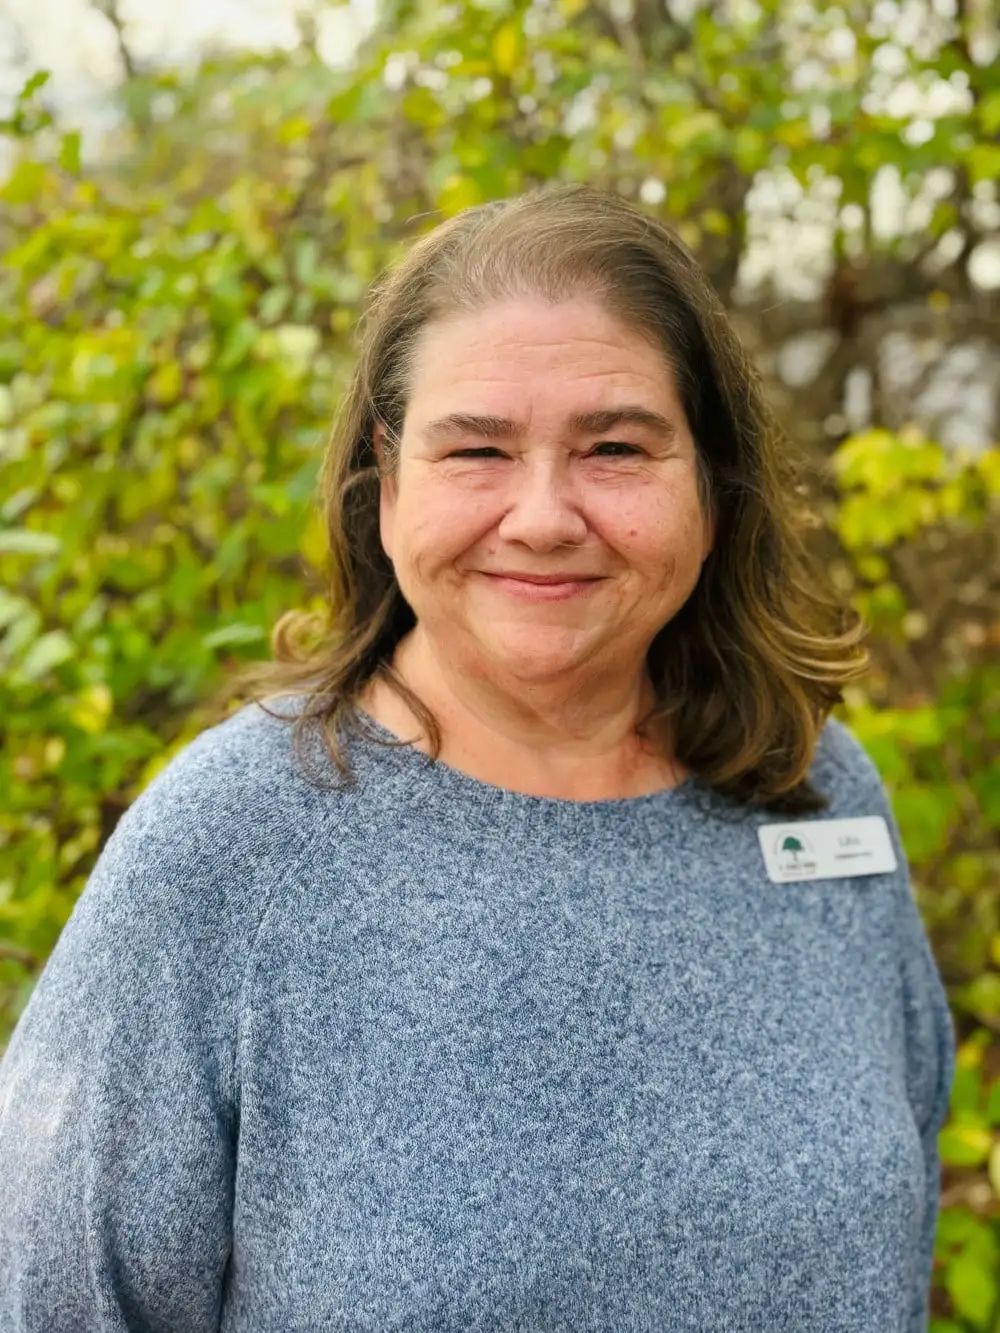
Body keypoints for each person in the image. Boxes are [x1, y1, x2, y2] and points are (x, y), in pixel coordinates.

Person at [0, 182, 955, 1332]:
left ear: (712, 481)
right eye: (477, 450)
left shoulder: (815, 788)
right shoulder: (231, 849)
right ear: (385, 483)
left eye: (613, 446)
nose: (544, 515)